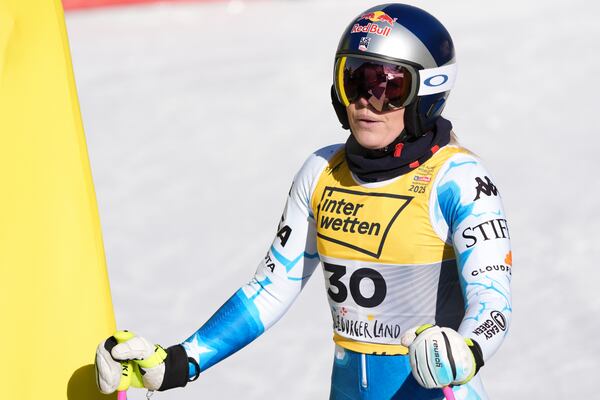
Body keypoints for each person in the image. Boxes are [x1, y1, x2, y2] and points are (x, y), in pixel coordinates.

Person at [95, 4, 512, 399]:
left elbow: (492, 300)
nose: (366, 101)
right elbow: (271, 287)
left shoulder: (458, 180)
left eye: (388, 86)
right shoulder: (321, 172)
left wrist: (466, 351)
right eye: (355, 81)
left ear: (427, 93)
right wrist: (179, 362)